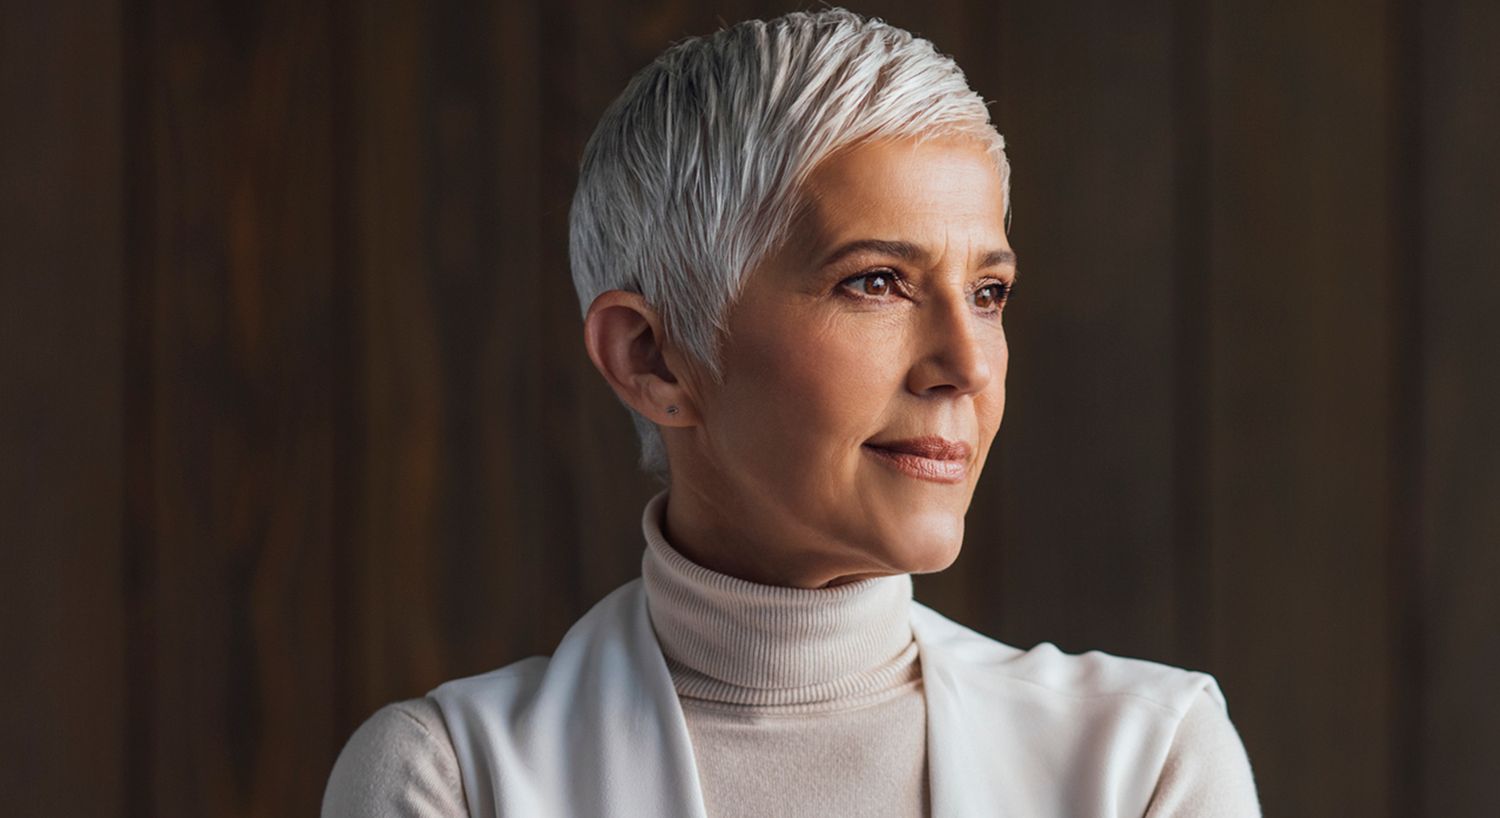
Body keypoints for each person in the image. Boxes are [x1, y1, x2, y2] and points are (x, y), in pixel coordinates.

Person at [322, 8, 1261, 817]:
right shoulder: (450, 780)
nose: (968, 365)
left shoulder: (1145, 764)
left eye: (988, 291)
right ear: (653, 359)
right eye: (878, 283)